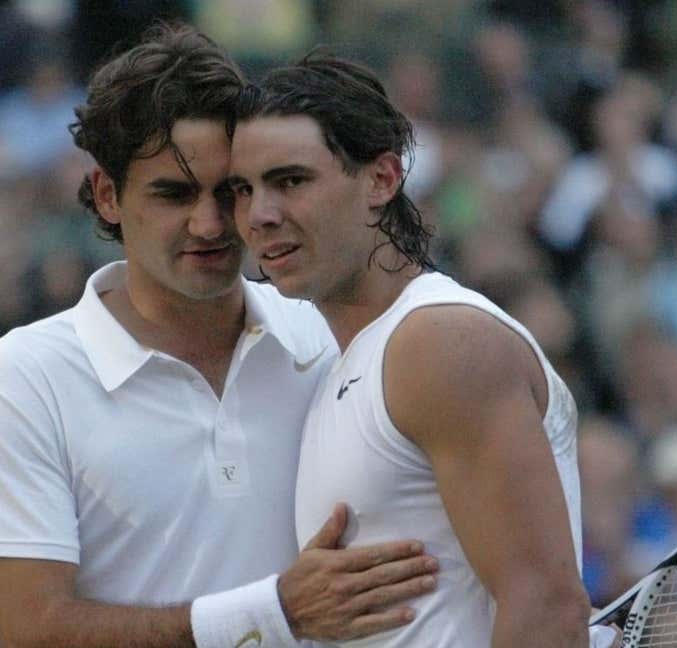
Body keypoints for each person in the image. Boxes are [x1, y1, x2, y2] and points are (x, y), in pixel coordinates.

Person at [0, 24, 438, 648]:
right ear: (107, 194)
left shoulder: (328, 337)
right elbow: (34, 630)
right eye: (173, 194)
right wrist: (273, 612)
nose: (209, 225)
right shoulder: (20, 376)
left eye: (228, 191)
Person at [228, 54, 600, 646]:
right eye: (242, 190)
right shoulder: (347, 363)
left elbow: (547, 607)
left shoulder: (441, 342)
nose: (260, 216)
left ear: (381, 179)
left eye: (290, 181)